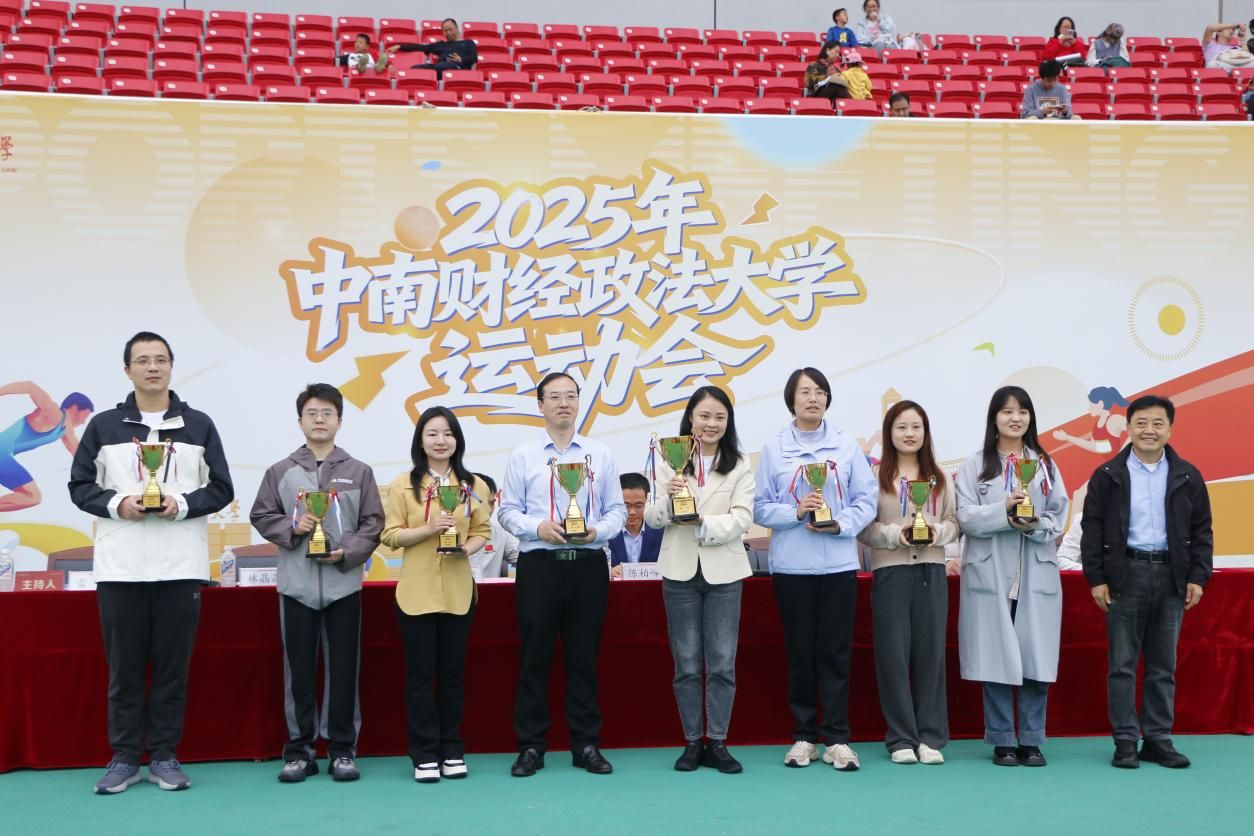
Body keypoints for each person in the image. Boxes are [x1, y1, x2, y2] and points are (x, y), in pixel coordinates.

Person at [68, 332, 234, 794]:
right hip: (120, 568)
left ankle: (163, 755)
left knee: (171, 669)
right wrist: (118, 503)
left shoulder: (198, 425)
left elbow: (222, 487)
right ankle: (124, 757)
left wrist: (181, 504)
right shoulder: (104, 426)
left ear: (171, 367)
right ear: (128, 370)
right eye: (142, 360)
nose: (152, 367)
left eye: (160, 359)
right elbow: (80, 486)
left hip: (180, 566)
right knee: (123, 670)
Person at [249, 384, 383, 784]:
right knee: (299, 673)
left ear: (340, 420)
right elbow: (261, 514)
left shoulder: (359, 471)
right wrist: (293, 526)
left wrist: (347, 552)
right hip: (297, 588)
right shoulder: (280, 471)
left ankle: (342, 751)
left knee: (344, 672)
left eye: (327, 413)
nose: (319, 419)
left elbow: (374, 523)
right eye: (312, 413)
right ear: (300, 422)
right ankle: (299, 752)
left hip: (344, 586)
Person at [499, 373, 626, 777]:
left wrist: (596, 531)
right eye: (554, 397)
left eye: (570, 396)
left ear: (578, 402)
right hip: (539, 566)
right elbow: (507, 511)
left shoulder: (599, 454)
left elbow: (617, 511)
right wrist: (537, 527)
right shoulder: (523, 455)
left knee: (583, 658)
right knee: (534, 657)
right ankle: (531, 746)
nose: (563, 403)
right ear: (540, 405)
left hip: (588, 565)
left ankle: (585, 744)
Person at [753, 367, 878, 772]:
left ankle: (837, 738)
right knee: (801, 654)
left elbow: (866, 499)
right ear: (791, 399)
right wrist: (795, 511)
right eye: (805, 392)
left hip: (838, 564)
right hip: (792, 566)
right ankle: (804, 736)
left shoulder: (846, 444)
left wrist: (840, 523)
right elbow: (759, 507)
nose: (813, 398)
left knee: (836, 653)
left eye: (820, 392)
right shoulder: (774, 447)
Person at [1080, 395, 1212, 769]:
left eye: (1157, 423)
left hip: (1172, 575)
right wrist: (1096, 578)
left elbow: (1202, 530)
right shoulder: (1108, 475)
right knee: (1122, 663)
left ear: (1170, 429)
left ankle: (1157, 738)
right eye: (1141, 423)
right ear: (1129, 427)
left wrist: (1198, 576)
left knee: (1163, 664)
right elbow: (1093, 529)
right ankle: (1125, 740)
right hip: (1126, 573)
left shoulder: (1188, 475)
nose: (1149, 430)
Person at [644, 386, 754, 775]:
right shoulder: (666, 459)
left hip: (725, 572)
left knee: (722, 663)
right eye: (704, 415)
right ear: (691, 418)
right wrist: (670, 499)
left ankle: (718, 741)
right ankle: (692, 741)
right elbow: (651, 518)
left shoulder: (739, 463)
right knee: (687, 664)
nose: (711, 424)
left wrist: (702, 522)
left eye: (719, 417)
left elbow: (743, 517)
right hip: (679, 571)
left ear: (728, 422)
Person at [956, 386, 1068, 768]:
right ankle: (1002, 739)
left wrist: (1033, 524)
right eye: (1007, 411)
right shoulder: (976, 466)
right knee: (995, 655)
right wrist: (1003, 511)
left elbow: (1058, 516)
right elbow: (965, 517)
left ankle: (1032, 739)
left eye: (1022, 411)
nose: (1015, 418)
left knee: (1036, 657)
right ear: (994, 418)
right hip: (990, 574)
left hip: (1034, 572)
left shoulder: (1044, 464)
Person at [381, 406, 490, 783]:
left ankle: (452, 749)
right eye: (432, 433)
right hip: (416, 593)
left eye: (448, 433)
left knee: (453, 675)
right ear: (420, 441)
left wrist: (464, 549)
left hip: (459, 592)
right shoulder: (403, 485)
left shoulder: (474, 485)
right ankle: (424, 754)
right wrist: (428, 529)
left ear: (457, 439)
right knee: (420, 677)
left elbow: (482, 532)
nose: (441, 441)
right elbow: (390, 535)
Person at [858, 400, 958, 765]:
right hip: (891, 572)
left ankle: (930, 737)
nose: (909, 433)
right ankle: (901, 738)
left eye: (916, 427)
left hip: (931, 570)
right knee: (893, 656)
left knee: (931, 655)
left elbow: (954, 522)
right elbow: (864, 529)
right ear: (889, 433)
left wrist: (935, 533)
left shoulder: (941, 476)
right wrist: (893, 535)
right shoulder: (875, 477)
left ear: (926, 432)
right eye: (901, 427)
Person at [0, 381, 92, 512]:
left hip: (3, 457)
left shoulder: (64, 430)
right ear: (75, 408)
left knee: (32, 497)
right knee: (32, 496)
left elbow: (79, 453)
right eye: (85, 416)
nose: (83, 422)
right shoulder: (54, 414)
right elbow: (30, 386)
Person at [608, 472, 662, 576]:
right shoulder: (607, 533)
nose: (632, 512)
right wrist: (609, 571)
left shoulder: (660, 532)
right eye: (626, 506)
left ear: (648, 501)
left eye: (638, 506)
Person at [386, 18, 478, 78]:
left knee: (440, 66)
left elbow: (474, 59)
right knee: (414, 69)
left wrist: (461, 59)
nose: (449, 33)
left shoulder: (468, 43)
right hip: (440, 67)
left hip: (459, 69)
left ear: (456, 28)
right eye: (445, 31)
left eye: (451, 29)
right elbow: (421, 47)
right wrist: (400, 46)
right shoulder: (441, 44)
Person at [471, 472, 518, 579]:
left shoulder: (499, 533)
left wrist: (512, 580)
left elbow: (520, 559)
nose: (488, 509)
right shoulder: (448, 534)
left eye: (492, 503)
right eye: (482, 503)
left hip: (489, 590)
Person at [805, 41, 851, 107]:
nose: (838, 55)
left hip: (832, 99)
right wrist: (827, 77)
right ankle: (850, 106)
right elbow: (807, 83)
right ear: (828, 50)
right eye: (836, 51)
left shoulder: (836, 69)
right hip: (816, 97)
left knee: (841, 85)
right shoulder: (814, 65)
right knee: (835, 85)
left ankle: (849, 107)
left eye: (839, 53)